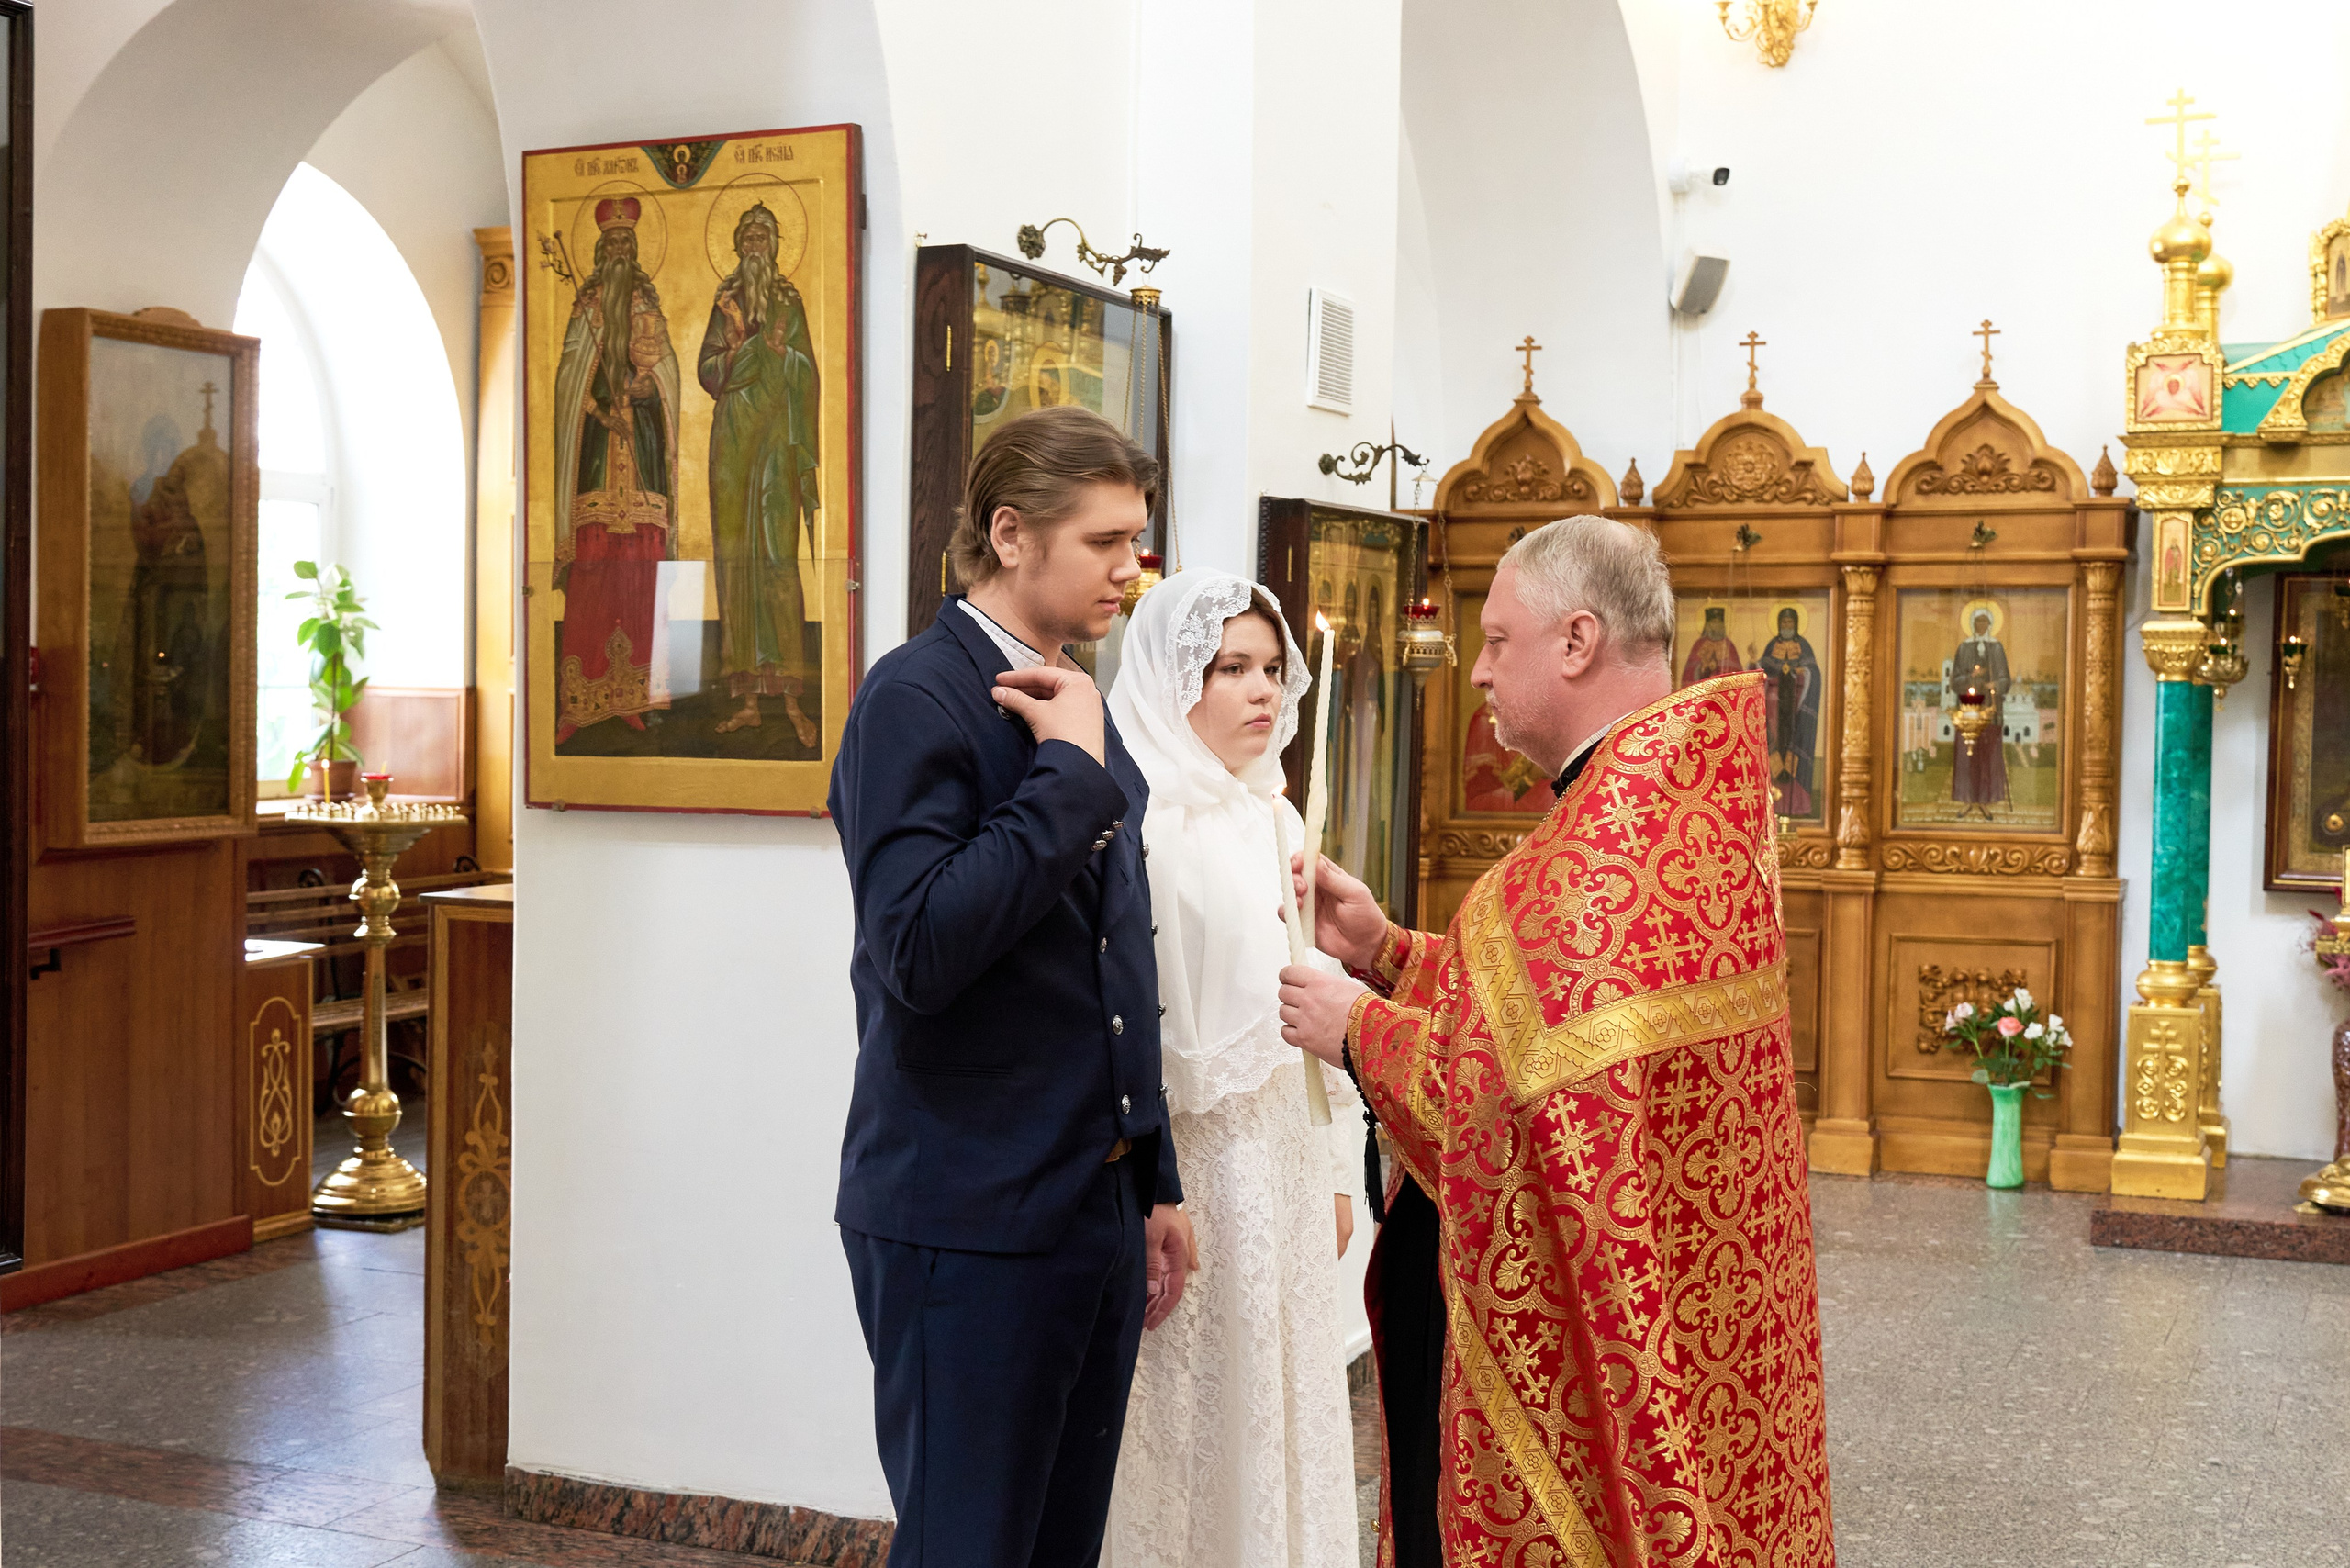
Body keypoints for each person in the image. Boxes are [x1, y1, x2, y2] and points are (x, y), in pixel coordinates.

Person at [1276, 515, 1834, 1567]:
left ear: (1576, 641)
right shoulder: (1681, 807)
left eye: (1498, 639)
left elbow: (1508, 1111)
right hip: (1694, 1298)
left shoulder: (1592, 860)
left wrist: (1357, 1030)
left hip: (1582, 1340)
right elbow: (1555, 1030)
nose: (1479, 671)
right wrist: (1387, 951)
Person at [831, 406, 1197, 1568]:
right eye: (1105, 541)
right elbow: (919, 949)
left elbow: (1114, 953)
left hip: (1088, 1201)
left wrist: (1150, 1175)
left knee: (1057, 1550)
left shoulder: (1073, 690)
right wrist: (1069, 771)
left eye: (1136, 539)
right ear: (1008, 534)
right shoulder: (915, 696)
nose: (1131, 569)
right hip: (967, 1212)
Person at [1101, 569, 1362, 1568]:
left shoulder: (1277, 818)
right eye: (1229, 668)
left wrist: (1333, 1169)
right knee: (1192, 1407)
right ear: (1173, 682)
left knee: (1284, 1388)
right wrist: (1148, 1186)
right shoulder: (1144, 827)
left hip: (1282, 1154)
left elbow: (1312, 995)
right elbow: (1140, 1024)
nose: (1262, 690)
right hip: (1195, 1165)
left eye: (1271, 669)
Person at [550, 196, 678, 745]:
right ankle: (580, 703)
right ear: (602, 252)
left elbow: (669, 375)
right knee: (593, 581)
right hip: (600, 463)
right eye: (613, 243)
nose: (621, 249)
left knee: (641, 582)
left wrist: (648, 389)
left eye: (628, 241)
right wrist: (603, 410)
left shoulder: (648, 301)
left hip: (642, 458)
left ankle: (633, 699)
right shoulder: (587, 306)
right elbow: (568, 379)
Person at [699, 201, 822, 748]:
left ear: (773, 245)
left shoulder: (788, 301)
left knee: (776, 558)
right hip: (732, 442)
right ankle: (747, 700)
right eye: (747, 236)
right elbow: (707, 372)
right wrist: (734, 351)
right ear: (736, 244)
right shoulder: (724, 300)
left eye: (762, 236)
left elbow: (807, 370)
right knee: (736, 562)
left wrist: (779, 354)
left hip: (775, 440)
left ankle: (791, 698)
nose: (754, 244)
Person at [1759, 605, 1822, 817]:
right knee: (1773, 744)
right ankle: (1772, 806)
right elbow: (1762, 670)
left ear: (1796, 625)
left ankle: (1796, 806)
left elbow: (1814, 673)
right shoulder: (1772, 646)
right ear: (1779, 625)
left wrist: (1800, 672)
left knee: (1794, 744)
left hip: (1796, 707)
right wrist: (1755, 663)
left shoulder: (1803, 646)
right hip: (1773, 708)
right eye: (1784, 622)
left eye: (1790, 622)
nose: (1787, 626)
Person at [1947, 607, 2010, 817]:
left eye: (1984, 621)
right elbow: (1955, 682)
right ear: (1972, 624)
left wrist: (1994, 684)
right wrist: (1971, 677)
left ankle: (1985, 801)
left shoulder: (1997, 647)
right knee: (1967, 757)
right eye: (1977, 621)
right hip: (1968, 712)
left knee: (1988, 757)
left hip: (1990, 711)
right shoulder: (1964, 648)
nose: (1980, 625)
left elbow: (2005, 680)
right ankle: (1967, 800)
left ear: (1990, 624)